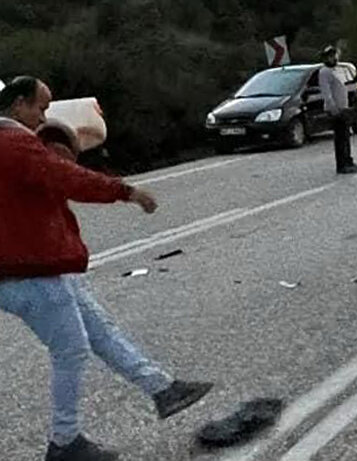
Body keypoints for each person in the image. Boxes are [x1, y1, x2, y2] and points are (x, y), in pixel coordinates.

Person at [0, 76, 213, 461]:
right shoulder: (13, 144)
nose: (44, 117)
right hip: (29, 272)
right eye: (40, 108)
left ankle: (162, 389)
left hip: (35, 266)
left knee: (99, 331)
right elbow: (69, 179)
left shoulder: (14, 144)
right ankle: (64, 442)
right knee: (71, 350)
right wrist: (125, 191)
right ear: (18, 105)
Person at [318, 45, 357, 175]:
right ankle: (342, 164)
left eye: (334, 56)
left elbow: (349, 73)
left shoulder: (337, 70)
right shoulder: (324, 72)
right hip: (336, 110)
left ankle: (348, 160)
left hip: (344, 107)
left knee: (346, 137)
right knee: (340, 139)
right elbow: (326, 93)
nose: (333, 58)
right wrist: (333, 108)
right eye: (330, 57)